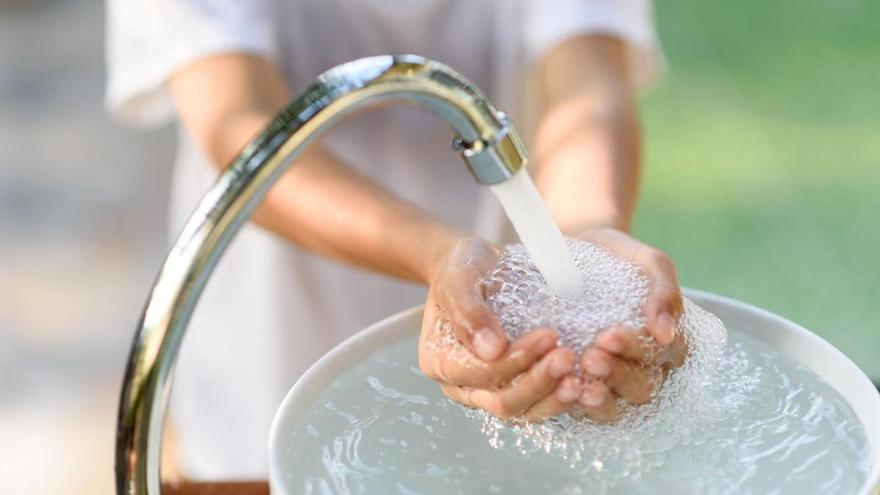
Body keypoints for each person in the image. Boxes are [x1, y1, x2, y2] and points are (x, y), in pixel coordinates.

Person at [106, 0, 686, 481]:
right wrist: (437, 253)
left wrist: (586, 233)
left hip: (502, 369)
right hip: (269, 374)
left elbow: (585, 85)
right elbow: (239, 125)